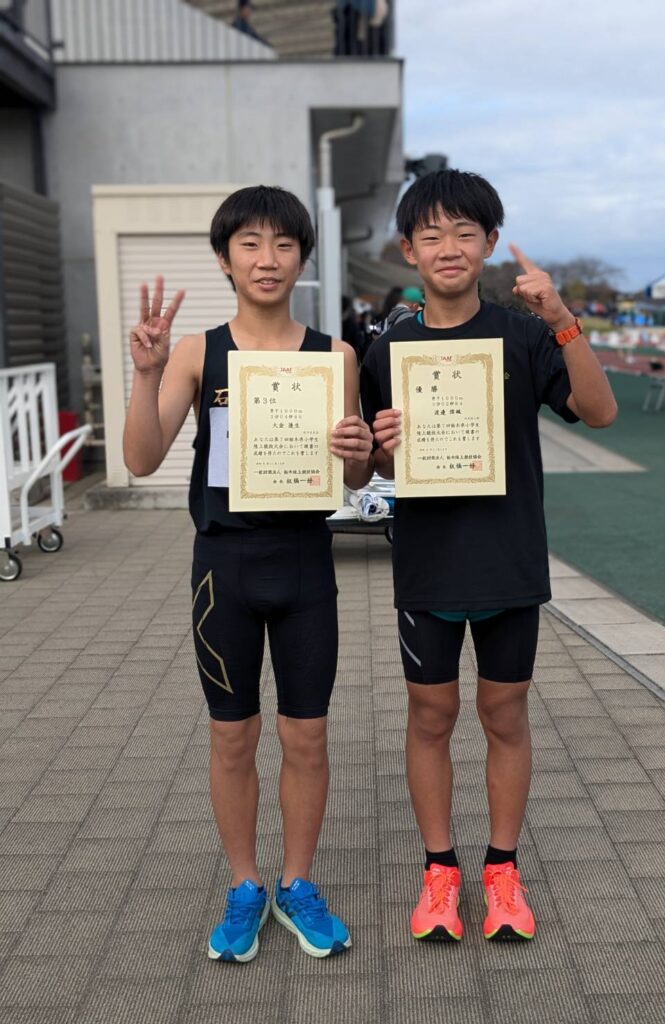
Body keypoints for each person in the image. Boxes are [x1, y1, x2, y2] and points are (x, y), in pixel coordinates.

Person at [360, 169, 617, 943]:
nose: (449, 248)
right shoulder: (391, 348)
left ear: (490, 244)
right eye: (431, 235)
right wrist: (377, 450)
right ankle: (441, 873)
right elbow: (371, 465)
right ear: (408, 249)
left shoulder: (525, 334)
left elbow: (599, 413)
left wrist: (563, 316)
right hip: (428, 562)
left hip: (508, 559)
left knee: (504, 713)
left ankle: (501, 870)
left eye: (465, 233)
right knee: (430, 714)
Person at [123, 186, 373, 961]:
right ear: (225, 257)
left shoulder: (335, 356)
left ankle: (297, 884)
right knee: (233, 737)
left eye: (284, 245)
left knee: (308, 735)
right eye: (250, 245)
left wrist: (360, 455)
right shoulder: (199, 352)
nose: (268, 260)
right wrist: (147, 373)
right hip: (223, 570)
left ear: (303, 256)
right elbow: (139, 458)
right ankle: (244, 886)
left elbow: (358, 481)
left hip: (305, 567)